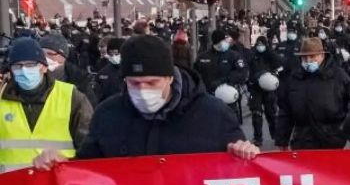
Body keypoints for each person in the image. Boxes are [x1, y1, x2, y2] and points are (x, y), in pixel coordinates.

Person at [32, 35, 258, 169]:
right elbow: (88, 170)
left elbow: (238, 175)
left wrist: (245, 152)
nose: (142, 91)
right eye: (134, 83)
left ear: (170, 77)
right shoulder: (108, 115)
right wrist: (61, 164)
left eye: (152, 83)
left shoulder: (213, 115)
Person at [1, 37, 93, 173]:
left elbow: (90, 148)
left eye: (30, 65)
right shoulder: (2, 97)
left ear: (43, 67)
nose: (24, 70)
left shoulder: (71, 96)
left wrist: (68, 161)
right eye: (17, 66)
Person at [276, 37, 350, 150]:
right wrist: (282, 140)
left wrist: (345, 130)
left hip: (332, 141)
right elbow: (285, 110)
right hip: (302, 141)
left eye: (312, 56)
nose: (308, 60)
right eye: (304, 57)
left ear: (322, 55)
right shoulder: (294, 78)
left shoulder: (338, 75)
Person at [194, 29, 249, 120]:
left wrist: (226, 80)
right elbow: (196, 75)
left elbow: (242, 72)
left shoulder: (233, 56)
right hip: (209, 98)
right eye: (222, 40)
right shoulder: (203, 57)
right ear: (217, 42)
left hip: (228, 97)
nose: (225, 42)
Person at [40, 34, 98, 106]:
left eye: (50, 54)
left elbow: (91, 108)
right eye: (41, 54)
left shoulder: (79, 80)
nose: (45, 58)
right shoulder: (33, 78)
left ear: (63, 56)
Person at [248, 36, 284, 147]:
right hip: (255, 88)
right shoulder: (252, 55)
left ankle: (275, 135)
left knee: (271, 114)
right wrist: (253, 78)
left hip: (269, 89)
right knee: (256, 114)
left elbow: (281, 66)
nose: (260, 47)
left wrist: (273, 74)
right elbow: (246, 70)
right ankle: (258, 138)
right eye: (258, 45)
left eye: (262, 44)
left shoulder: (271, 55)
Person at [94, 37, 125, 103]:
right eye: (111, 54)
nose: (114, 56)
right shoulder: (102, 73)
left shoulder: (130, 72)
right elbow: (97, 96)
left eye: (116, 54)